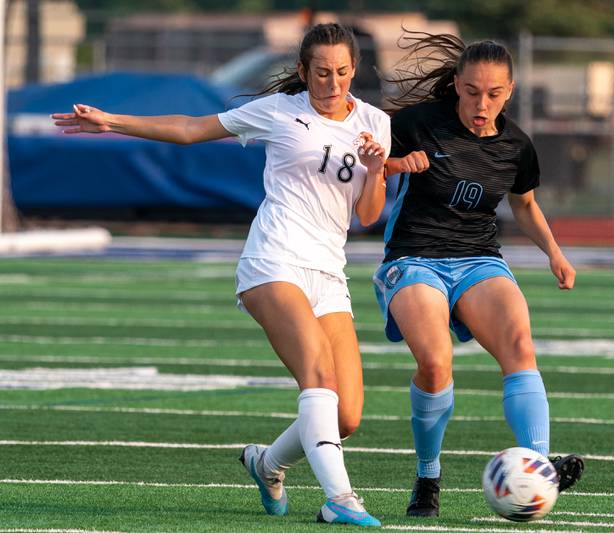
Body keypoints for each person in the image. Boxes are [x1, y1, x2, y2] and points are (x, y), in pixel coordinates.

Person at [53, 23, 388, 527]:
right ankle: (341, 497)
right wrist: (113, 122)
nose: (333, 83)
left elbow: (367, 215)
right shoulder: (279, 111)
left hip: (329, 272)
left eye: (342, 72)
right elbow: (191, 129)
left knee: (347, 416)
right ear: (303, 72)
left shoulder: (375, 122)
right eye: (321, 72)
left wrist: (377, 168)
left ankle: (266, 463)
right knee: (317, 374)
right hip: (272, 261)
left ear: (354, 71)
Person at [375, 32, 585, 518]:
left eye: (493, 94)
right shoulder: (416, 124)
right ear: (456, 85)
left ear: (509, 91)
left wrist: (555, 252)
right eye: (471, 92)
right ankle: (428, 476)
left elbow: (525, 204)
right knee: (435, 364)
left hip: (479, 259)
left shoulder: (516, 146)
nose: (481, 103)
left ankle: (538, 463)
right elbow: (362, 157)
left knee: (520, 346)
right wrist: (393, 162)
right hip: (414, 258)